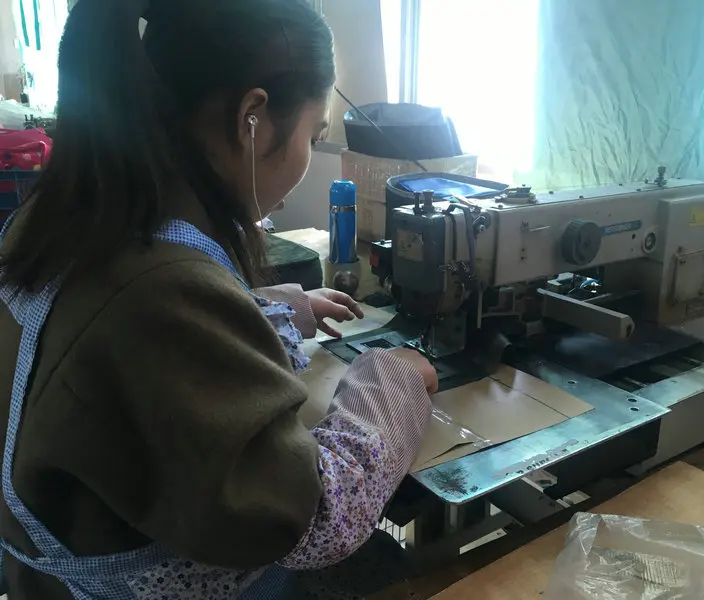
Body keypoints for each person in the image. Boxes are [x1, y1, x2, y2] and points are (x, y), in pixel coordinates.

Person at [0, 1, 438, 598]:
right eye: (314, 134)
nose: (308, 154)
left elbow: (121, 358)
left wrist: (263, 307)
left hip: (45, 572)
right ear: (251, 117)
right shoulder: (161, 293)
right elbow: (315, 521)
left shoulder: (64, 220)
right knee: (393, 568)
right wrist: (389, 380)